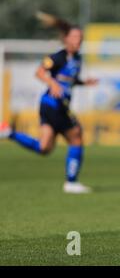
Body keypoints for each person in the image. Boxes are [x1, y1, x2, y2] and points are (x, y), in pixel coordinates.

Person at [0, 12, 98, 194]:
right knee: (76, 135)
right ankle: (71, 182)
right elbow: (39, 72)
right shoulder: (58, 57)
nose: (78, 40)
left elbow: (69, 80)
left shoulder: (77, 59)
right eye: (75, 36)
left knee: (44, 148)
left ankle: (8, 132)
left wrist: (84, 83)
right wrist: (52, 82)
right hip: (53, 105)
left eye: (80, 37)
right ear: (66, 39)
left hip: (52, 105)